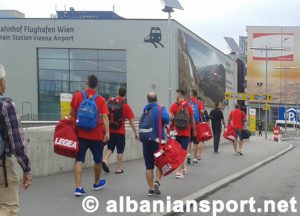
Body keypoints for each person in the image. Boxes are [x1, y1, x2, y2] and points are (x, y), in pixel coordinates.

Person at [70, 75, 110, 197]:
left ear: (86, 83)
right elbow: (105, 116)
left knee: (79, 160)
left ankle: (78, 187)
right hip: (96, 135)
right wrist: (107, 133)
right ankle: (96, 183)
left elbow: (72, 113)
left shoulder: (77, 96)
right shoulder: (101, 100)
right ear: (96, 85)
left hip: (80, 134)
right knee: (98, 161)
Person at [0, 64, 32, 215]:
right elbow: (17, 141)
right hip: (2, 166)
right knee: (8, 208)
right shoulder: (5, 105)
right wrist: (26, 168)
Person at [102, 87, 138, 174]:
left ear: (118, 92)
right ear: (125, 94)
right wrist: (136, 132)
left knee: (110, 148)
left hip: (110, 131)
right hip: (120, 132)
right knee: (120, 150)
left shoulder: (110, 101)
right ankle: (118, 169)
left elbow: (104, 115)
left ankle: (105, 160)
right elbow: (131, 121)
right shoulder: (125, 105)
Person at [141, 92, 170, 196]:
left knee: (149, 166)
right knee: (160, 163)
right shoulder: (161, 108)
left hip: (146, 141)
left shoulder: (145, 109)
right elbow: (167, 119)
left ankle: (150, 189)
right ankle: (157, 181)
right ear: (157, 99)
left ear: (147, 99)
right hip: (158, 142)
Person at [170, 89, 195, 179]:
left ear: (179, 95)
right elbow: (192, 119)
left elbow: (170, 119)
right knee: (183, 152)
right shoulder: (188, 106)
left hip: (176, 132)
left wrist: (169, 129)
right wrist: (194, 131)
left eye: (176, 94)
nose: (176, 96)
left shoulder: (174, 106)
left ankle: (179, 171)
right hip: (186, 132)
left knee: (178, 152)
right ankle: (181, 169)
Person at [186, 90, 204, 165]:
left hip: (189, 125)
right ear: (196, 95)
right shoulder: (199, 102)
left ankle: (188, 155)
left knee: (189, 141)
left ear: (191, 95)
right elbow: (202, 112)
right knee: (196, 142)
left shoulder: (188, 102)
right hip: (196, 125)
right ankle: (195, 159)